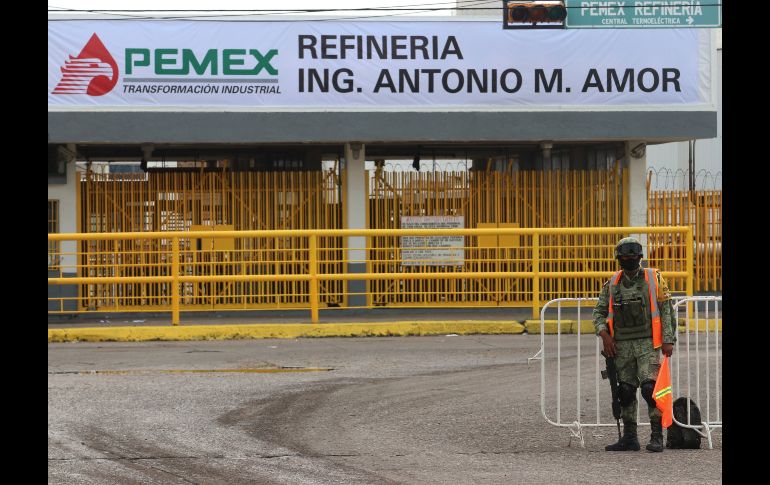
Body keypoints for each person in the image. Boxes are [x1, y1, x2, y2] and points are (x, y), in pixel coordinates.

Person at [592, 237, 677, 452]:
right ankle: (630, 438)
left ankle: (656, 436)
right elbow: (598, 313)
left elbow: (666, 309)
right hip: (620, 346)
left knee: (650, 389)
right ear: (618, 258)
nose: (629, 258)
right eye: (625, 255)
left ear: (640, 257)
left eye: (633, 255)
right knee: (626, 391)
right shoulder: (612, 283)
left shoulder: (653, 278)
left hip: (648, 343)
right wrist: (605, 336)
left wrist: (668, 339)